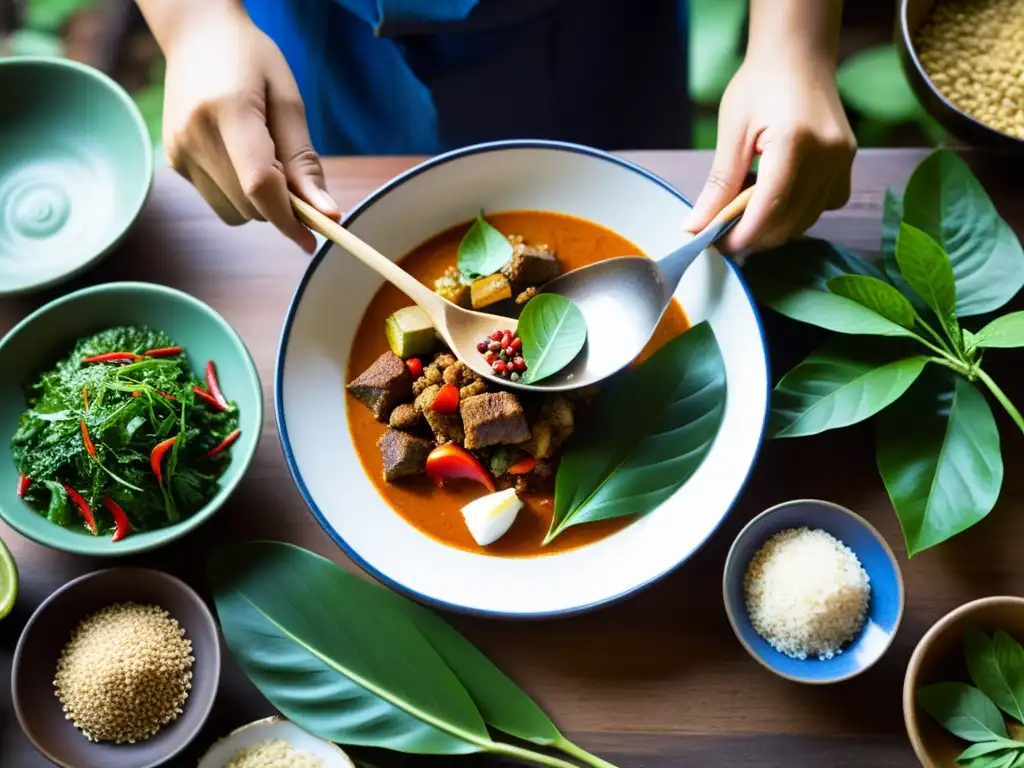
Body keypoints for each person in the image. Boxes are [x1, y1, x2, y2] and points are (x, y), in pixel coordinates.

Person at [134, 0, 856, 256]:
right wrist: (194, 23)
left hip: (597, 37)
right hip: (327, 39)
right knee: (350, 212)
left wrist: (793, 40)